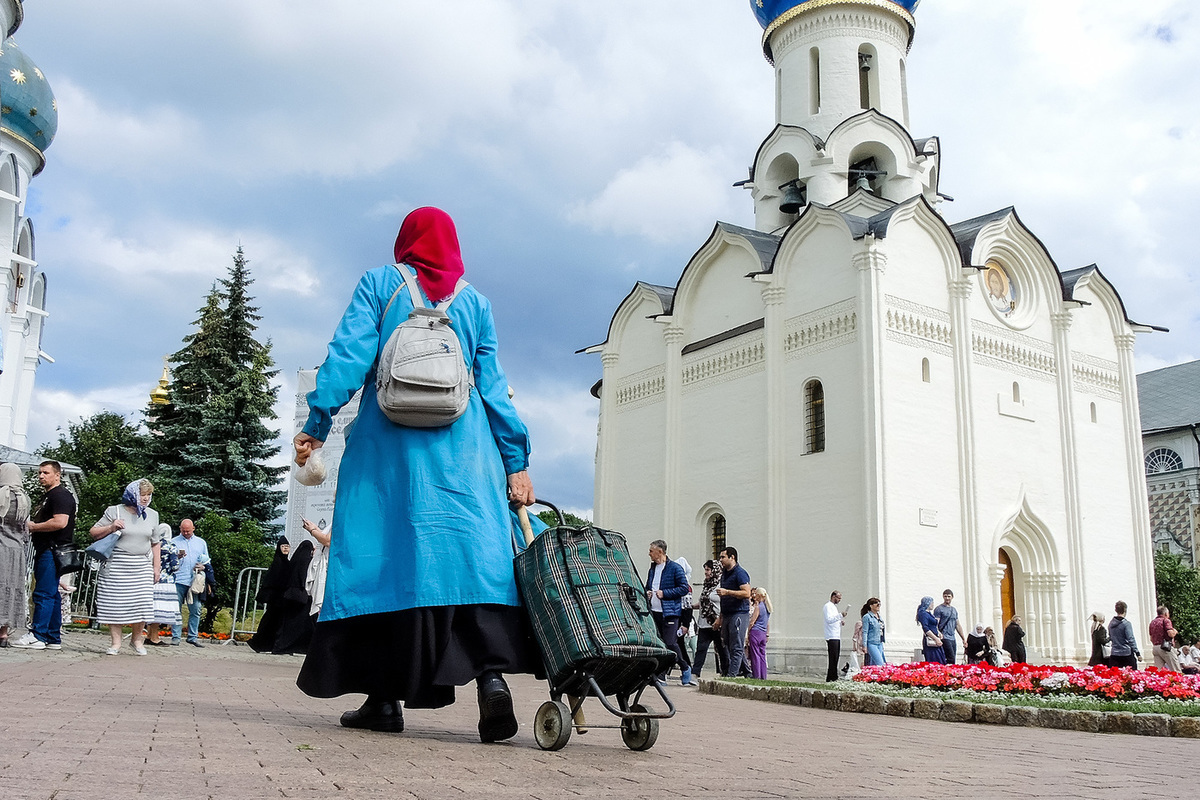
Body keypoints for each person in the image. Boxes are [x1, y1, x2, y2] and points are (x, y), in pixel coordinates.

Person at [292, 207, 539, 742]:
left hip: (388, 450)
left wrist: (318, 419)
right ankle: (491, 683)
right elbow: (493, 385)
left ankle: (382, 701)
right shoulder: (475, 302)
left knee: (383, 560)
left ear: (405, 241)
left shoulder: (382, 283)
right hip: (465, 457)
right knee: (474, 562)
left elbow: (350, 353)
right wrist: (515, 461)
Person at [89, 479, 163, 656]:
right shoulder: (114, 510)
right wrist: (111, 526)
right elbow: (94, 532)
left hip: (141, 565)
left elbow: (155, 543)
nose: (145, 498)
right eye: (142, 494)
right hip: (117, 564)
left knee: (142, 603)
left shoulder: (152, 515)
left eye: (148, 495)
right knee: (115, 604)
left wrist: (156, 567)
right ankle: (115, 643)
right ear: (132, 494)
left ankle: (136, 640)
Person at [12, 461, 77, 651]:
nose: (41, 476)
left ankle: (38, 635)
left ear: (57, 475)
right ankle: (52, 637)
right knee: (52, 594)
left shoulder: (60, 496)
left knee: (43, 593)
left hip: (52, 548)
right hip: (46, 548)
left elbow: (60, 522)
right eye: (40, 472)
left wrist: (33, 527)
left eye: (46, 472)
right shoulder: (49, 496)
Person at [250, 537, 317, 655]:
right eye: (283, 546)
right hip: (278, 599)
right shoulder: (279, 562)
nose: (286, 548)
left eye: (287, 546)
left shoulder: (290, 562)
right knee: (273, 622)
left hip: (284, 598)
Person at [646, 540, 694, 685]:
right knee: (660, 645)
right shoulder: (652, 569)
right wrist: (647, 592)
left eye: (651, 551)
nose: (649, 553)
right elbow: (648, 585)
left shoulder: (674, 568)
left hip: (670, 612)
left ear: (660, 552)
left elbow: (684, 588)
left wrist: (664, 593)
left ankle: (685, 668)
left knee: (670, 643)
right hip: (654, 611)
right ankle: (660, 676)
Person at [0, 463, 31, 648]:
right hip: (16, 551)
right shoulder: (24, 498)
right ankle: (3, 634)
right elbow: (26, 529)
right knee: (10, 589)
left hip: (1, 547)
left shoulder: (1, 495)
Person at [170, 518, 210, 647]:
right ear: (180, 529)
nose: (186, 533)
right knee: (176, 609)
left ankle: (192, 636)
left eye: (188, 531)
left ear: (193, 529)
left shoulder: (201, 543)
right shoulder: (174, 542)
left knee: (196, 609)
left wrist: (203, 567)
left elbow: (206, 561)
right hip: (178, 579)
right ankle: (176, 636)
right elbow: (168, 559)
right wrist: (176, 557)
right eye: (183, 530)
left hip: (195, 581)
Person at [716, 547, 751, 678]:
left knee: (736, 644)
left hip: (739, 613)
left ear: (732, 557)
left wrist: (728, 592)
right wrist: (720, 616)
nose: (720, 560)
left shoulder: (740, 573)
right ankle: (747, 672)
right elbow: (723, 598)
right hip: (727, 613)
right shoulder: (724, 574)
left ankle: (732, 675)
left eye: (722, 557)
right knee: (729, 644)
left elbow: (746, 593)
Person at [147, 523, 181, 646]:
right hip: (166, 581)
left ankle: (149, 635)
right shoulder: (171, 546)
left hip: (151, 579)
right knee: (160, 610)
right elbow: (175, 566)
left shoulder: (151, 545)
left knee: (152, 608)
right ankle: (154, 637)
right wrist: (178, 558)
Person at [692, 559, 726, 679]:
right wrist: (691, 607)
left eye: (708, 570)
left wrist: (720, 618)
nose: (706, 572)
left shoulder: (721, 586)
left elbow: (724, 603)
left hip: (716, 622)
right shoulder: (706, 585)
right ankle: (695, 673)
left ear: (714, 570)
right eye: (705, 570)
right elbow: (703, 603)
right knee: (701, 648)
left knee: (721, 649)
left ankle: (726, 672)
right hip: (704, 623)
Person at [932, 589, 966, 665]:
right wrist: (938, 633)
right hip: (944, 637)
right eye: (945, 596)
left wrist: (963, 638)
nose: (947, 598)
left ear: (952, 597)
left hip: (952, 637)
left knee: (953, 657)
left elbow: (957, 625)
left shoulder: (954, 610)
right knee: (950, 657)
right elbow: (935, 623)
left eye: (949, 596)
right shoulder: (939, 609)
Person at [747, 587, 772, 679]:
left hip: (755, 632)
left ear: (759, 595)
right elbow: (767, 623)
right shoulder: (767, 608)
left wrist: (748, 632)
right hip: (763, 632)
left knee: (755, 654)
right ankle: (763, 675)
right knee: (762, 655)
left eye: (756, 594)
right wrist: (767, 634)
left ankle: (756, 675)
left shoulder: (758, 607)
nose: (754, 596)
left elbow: (752, 621)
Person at [822, 590, 847, 681]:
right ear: (833, 597)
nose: (839, 600)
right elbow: (829, 620)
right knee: (833, 657)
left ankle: (833, 676)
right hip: (831, 635)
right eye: (838, 598)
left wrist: (840, 622)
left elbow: (834, 620)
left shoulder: (834, 607)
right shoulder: (828, 606)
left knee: (836, 657)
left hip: (836, 635)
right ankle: (831, 677)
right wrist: (840, 615)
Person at [1148, 606, 1181, 673]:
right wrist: (1175, 631)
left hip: (1155, 648)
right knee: (1176, 670)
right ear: (1166, 613)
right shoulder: (1166, 620)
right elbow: (1170, 634)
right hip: (1165, 647)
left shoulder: (1152, 622)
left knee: (1157, 671)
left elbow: (1151, 638)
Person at [1108, 601, 1139, 669]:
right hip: (1126, 653)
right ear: (1125, 610)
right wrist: (1137, 652)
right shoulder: (1126, 624)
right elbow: (1130, 639)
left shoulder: (1110, 624)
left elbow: (1110, 637)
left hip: (1114, 653)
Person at [917, 597, 945, 664]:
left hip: (936, 639)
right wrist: (936, 639)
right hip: (931, 640)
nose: (932, 605)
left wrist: (938, 633)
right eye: (931, 603)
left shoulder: (929, 614)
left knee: (940, 659)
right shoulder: (923, 614)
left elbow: (933, 626)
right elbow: (926, 628)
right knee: (934, 660)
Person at [860, 598, 886, 666]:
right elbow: (865, 632)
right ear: (871, 606)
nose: (878, 605)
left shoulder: (879, 617)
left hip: (879, 643)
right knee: (880, 664)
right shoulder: (867, 617)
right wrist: (864, 645)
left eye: (879, 604)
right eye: (876, 603)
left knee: (874, 664)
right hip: (872, 643)